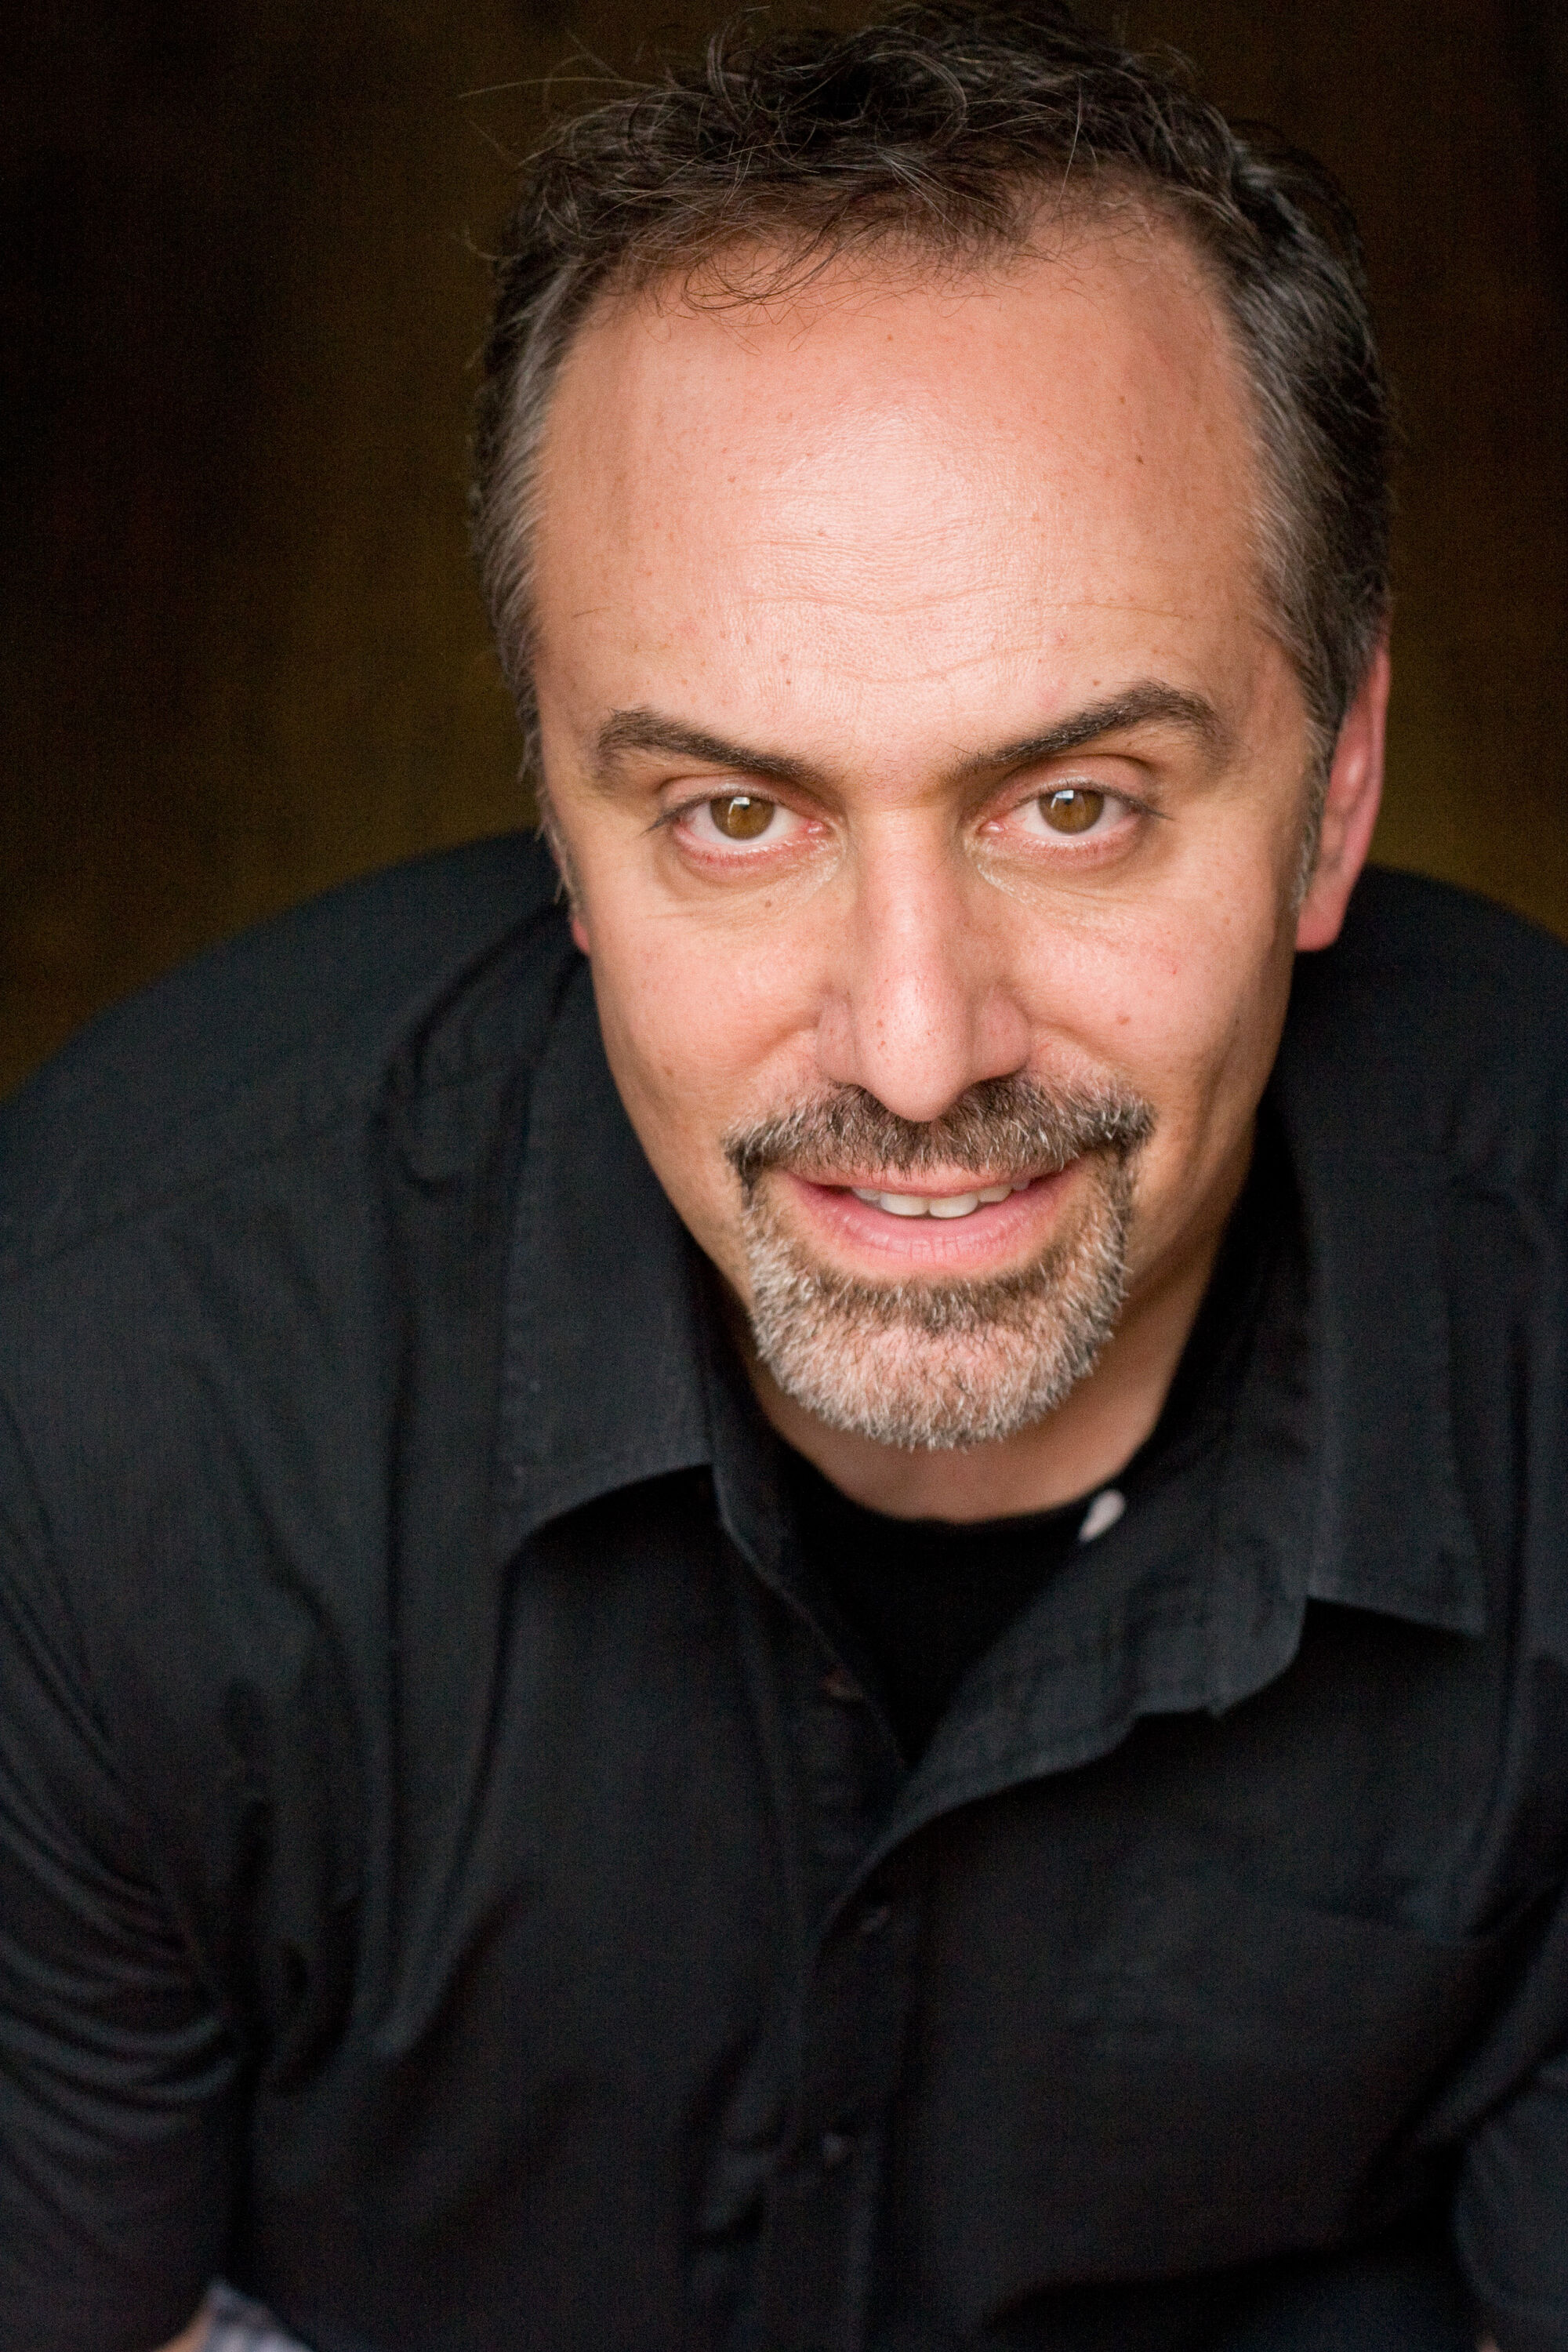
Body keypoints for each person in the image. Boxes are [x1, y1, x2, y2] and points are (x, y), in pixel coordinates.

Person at [0, 5, 1563, 2348]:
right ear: (561, 818)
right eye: (737, 815)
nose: (917, 1052)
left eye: (1076, 805)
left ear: (1334, 792)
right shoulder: (101, 1390)